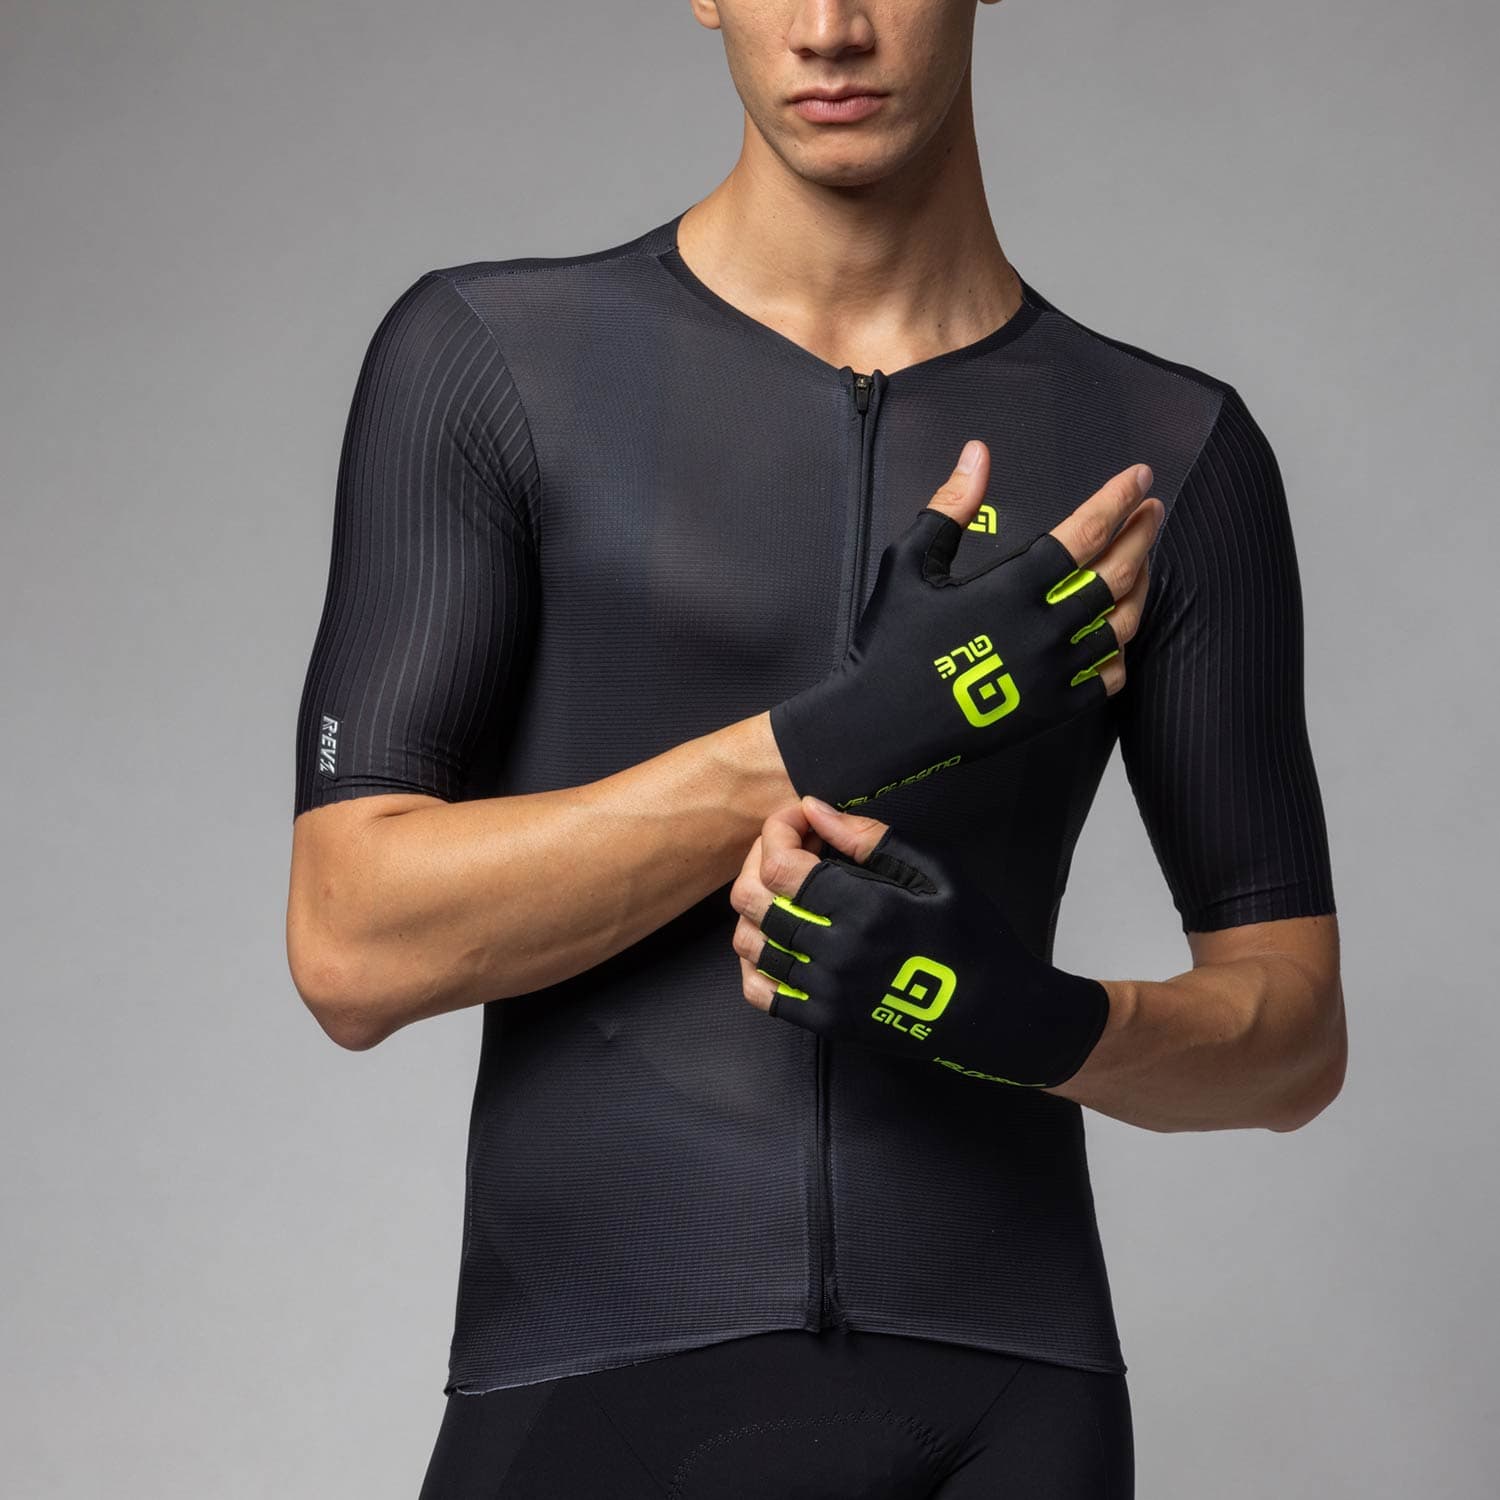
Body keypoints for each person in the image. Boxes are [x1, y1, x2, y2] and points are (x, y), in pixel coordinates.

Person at [287, 1, 1344, 1493]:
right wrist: (865, 725)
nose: (831, 27)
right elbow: (350, 943)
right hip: (594, 1399)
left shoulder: (1166, 451)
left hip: (1007, 1417)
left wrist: (1031, 1020)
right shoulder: (497, 367)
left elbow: (1292, 1039)